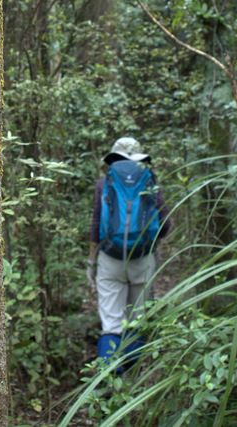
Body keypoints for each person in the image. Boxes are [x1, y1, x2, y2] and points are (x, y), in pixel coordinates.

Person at [86, 137, 172, 368]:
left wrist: (91, 260)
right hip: (142, 259)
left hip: (109, 259)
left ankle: (110, 382)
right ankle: (131, 381)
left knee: (112, 324)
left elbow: (96, 226)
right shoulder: (150, 182)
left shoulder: (104, 183)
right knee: (136, 320)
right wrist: (149, 244)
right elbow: (165, 224)